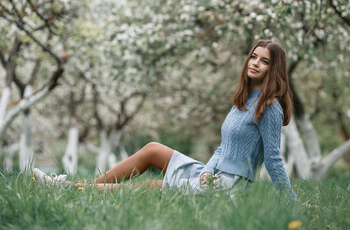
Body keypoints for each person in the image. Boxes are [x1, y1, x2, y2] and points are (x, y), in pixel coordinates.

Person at [33, 39, 297, 199]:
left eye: (264, 61)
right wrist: (205, 171)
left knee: (152, 186)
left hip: (231, 188)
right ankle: (82, 186)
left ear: (273, 68)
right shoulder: (243, 99)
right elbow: (222, 148)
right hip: (212, 176)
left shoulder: (269, 107)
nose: (255, 63)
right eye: (253, 56)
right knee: (152, 149)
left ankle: (71, 189)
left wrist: (292, 203)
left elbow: (273, 159)